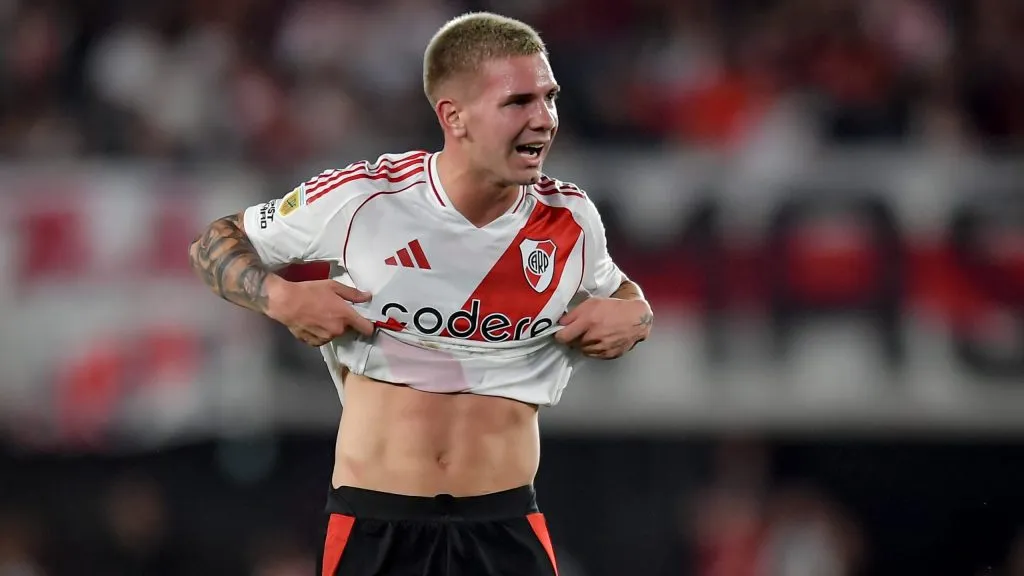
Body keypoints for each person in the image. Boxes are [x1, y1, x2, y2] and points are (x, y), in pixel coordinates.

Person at [188, 11, 653, 576]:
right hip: (377, 524)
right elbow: (215, 241)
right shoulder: (366, 198)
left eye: (549, 98)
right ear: (453, 116)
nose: (545, 119)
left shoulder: (571, 218)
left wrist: (637, 314)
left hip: (502, 525)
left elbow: (618, 291)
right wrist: (281, 299)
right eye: (518, 103)